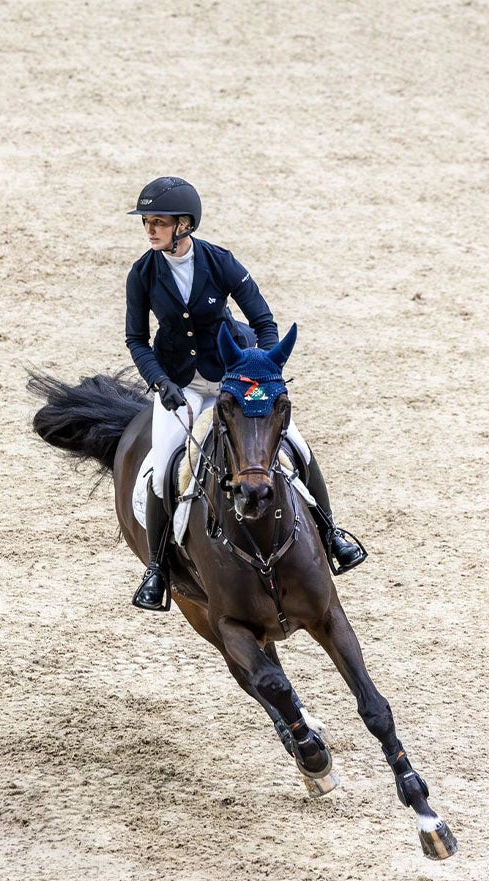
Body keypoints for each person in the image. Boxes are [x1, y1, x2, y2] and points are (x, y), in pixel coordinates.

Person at [125, 176, 366, 611]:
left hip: (234, 379)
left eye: (158, 222)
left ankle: (332, 536)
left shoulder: (220, 262)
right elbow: (137, 340)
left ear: (184, 225)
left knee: (298, 447)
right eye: (147, 223)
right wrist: (161, 383)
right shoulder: (142, 273)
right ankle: (158, 569)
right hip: (181, 384)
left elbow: (263, 319)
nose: (150, 230)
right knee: (162, 467)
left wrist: (261, 370)